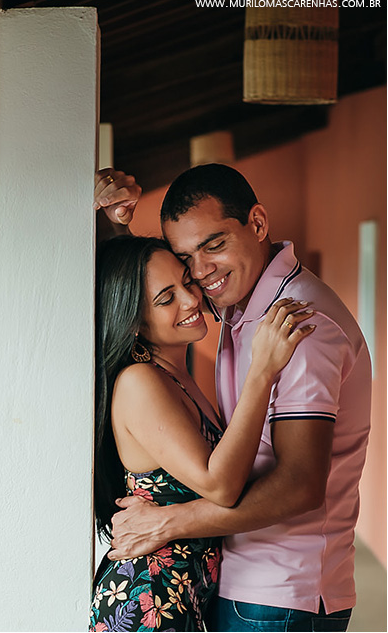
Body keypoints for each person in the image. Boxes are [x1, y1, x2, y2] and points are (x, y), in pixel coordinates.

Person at [95, 164, 372, 632]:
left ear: (258, 224)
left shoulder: (296, 322)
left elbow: (301, 483)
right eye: (187, 262)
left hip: (280, 590)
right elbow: (127, 289)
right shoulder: (241, 310)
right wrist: (109, 223)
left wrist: (170, 522)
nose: (199, 278)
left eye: (214, 245)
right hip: (202, 590)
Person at [89, 235, 314, 632]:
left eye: (186, 282)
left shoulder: (176, 376)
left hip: (185, 594)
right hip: (149, 600)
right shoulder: (140, 382)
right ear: (135, 322)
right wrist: (263, 371)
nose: (191, 300)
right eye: (166, 299)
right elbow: (222, 485)